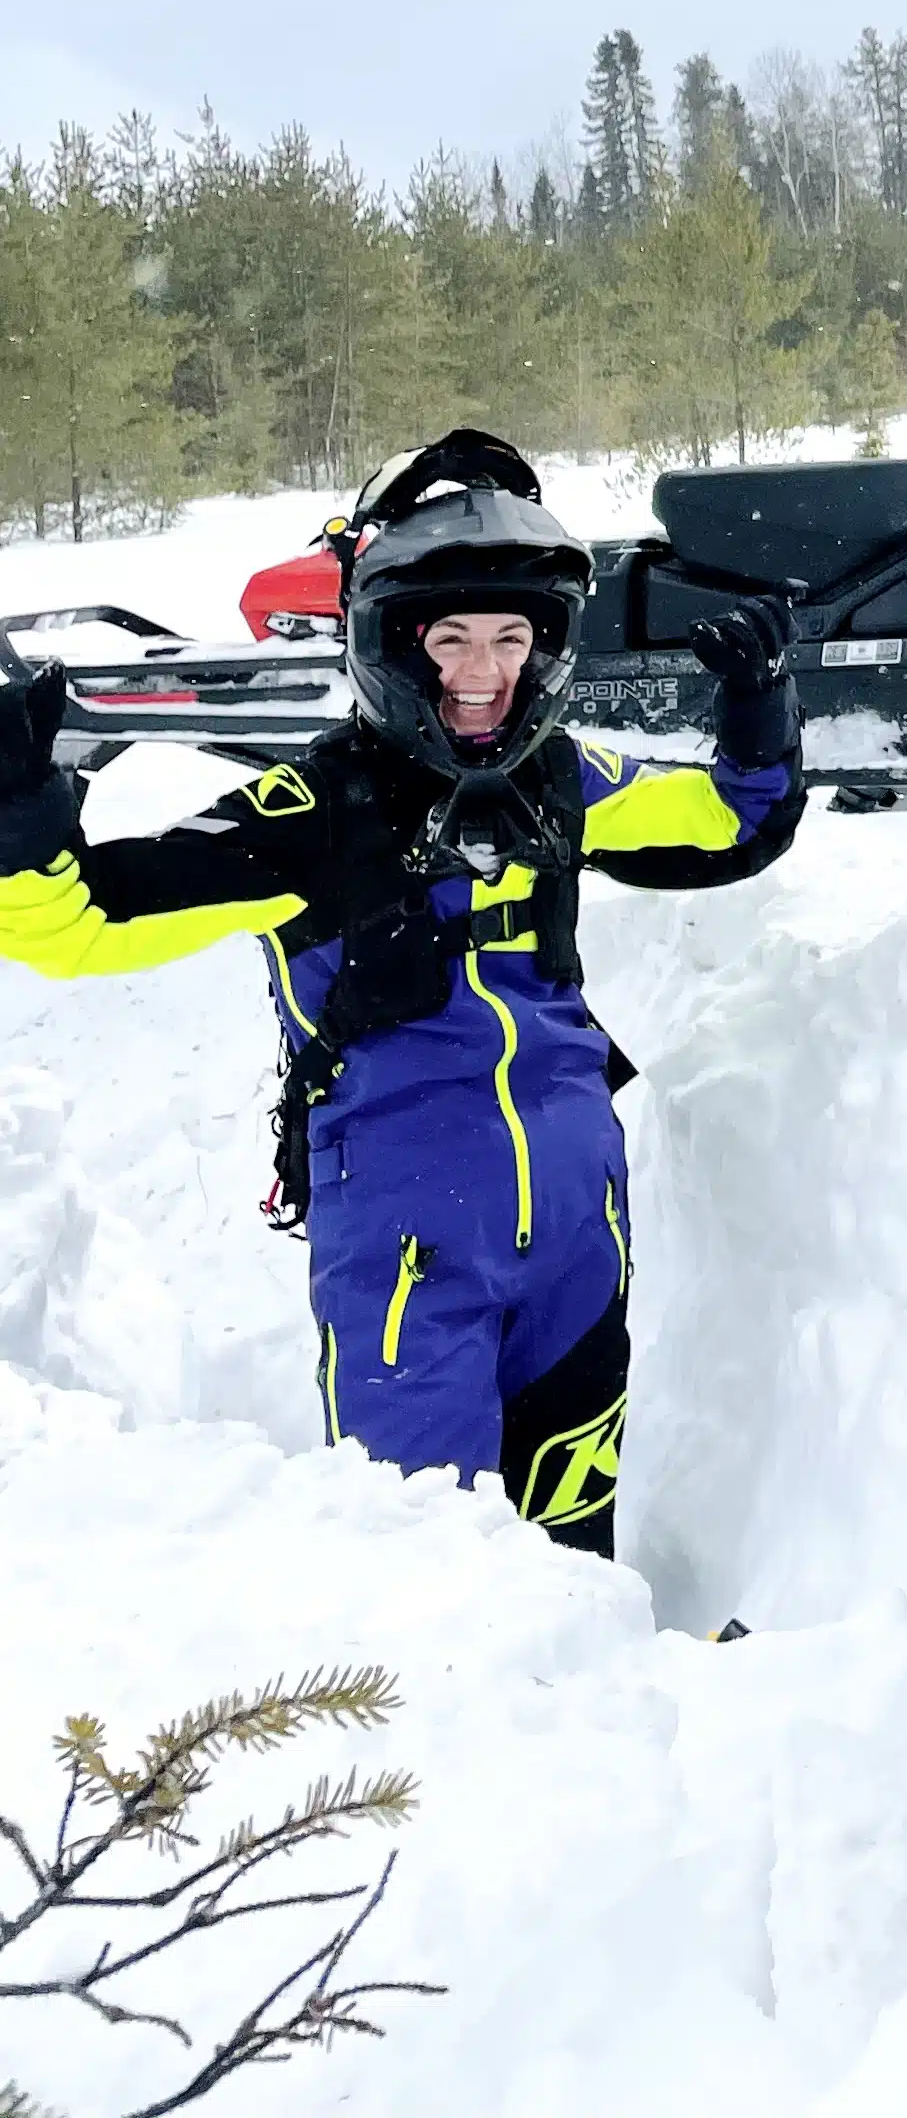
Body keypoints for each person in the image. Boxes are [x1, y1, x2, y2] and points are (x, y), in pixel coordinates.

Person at [0, 430, 803, 1556]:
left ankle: (596, 1716)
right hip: (405, 1238)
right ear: (393, 643)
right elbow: (81, 928)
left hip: (579, 1221)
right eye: (452, 638)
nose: (483, 671)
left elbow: (730, 823)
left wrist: (760, 713)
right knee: (426, 1559)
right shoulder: (308, 813)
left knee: (576, 1530)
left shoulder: (561, 776)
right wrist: (20, 819)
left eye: (512, 637)